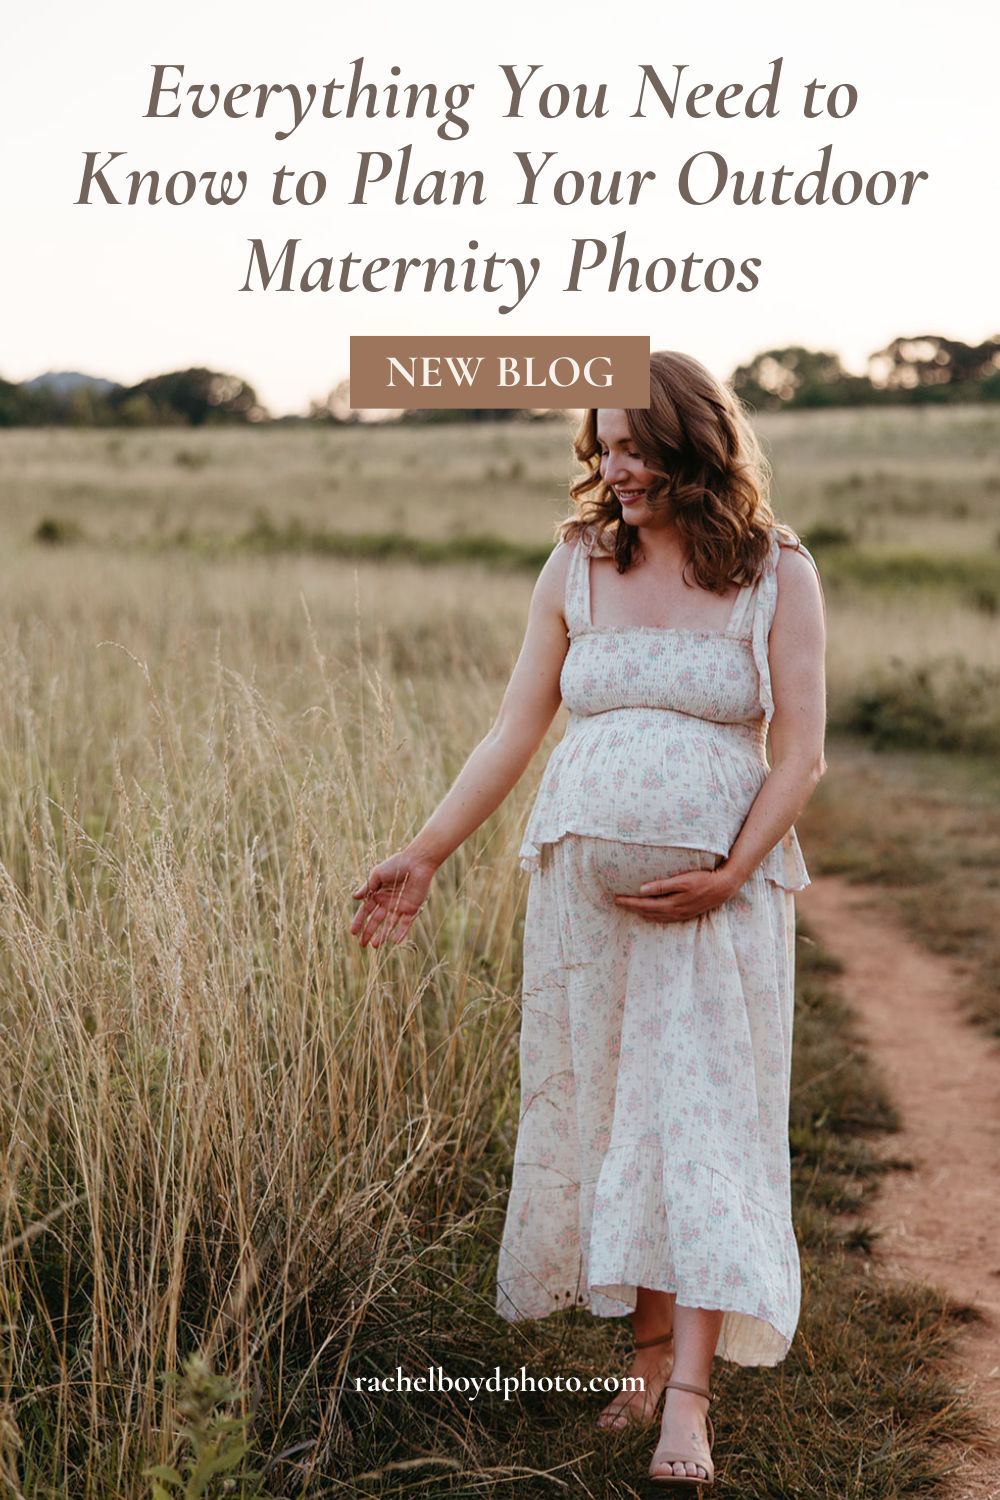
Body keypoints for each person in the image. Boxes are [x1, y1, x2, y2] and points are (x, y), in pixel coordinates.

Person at [351, 350, 826, 1488]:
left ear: (691, 448)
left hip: (721, 902)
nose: (612, 468)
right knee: (622, 1120)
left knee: (700, 1127)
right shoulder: (576, 562)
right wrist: (424, 852)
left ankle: (690, 1408)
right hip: (582, 903)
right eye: (601, 447)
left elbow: (800, 749)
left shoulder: (777, 570)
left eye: (634, 448)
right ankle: (645, 1360)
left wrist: (730, 870)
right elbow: (514, 730)